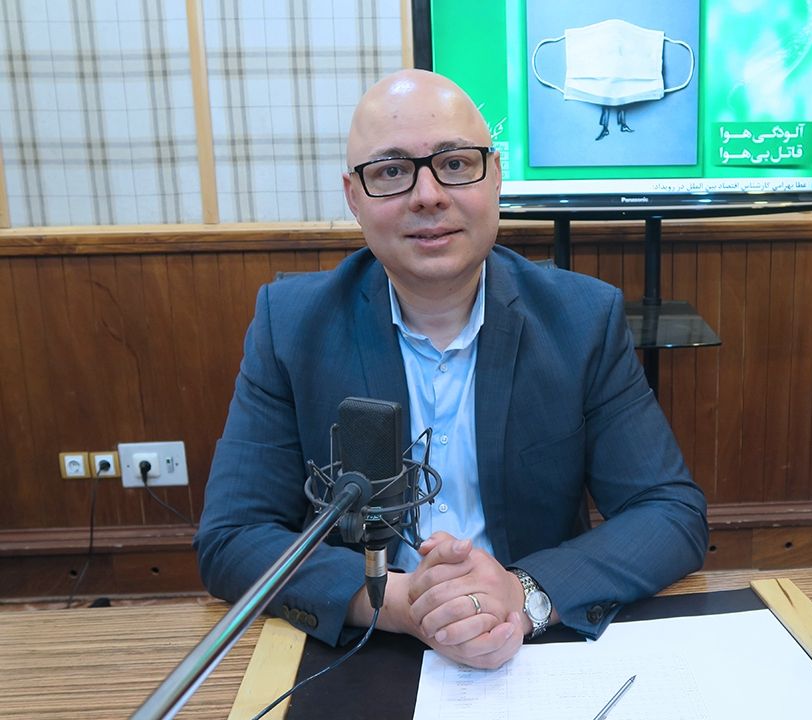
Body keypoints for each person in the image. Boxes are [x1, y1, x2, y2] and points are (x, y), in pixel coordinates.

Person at [194, 69, 708, 670]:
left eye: (456, 164)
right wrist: (400, 602)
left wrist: (522, 593)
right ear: (353, 197)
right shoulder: (291, 326)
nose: (428, 195)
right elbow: (232, 538)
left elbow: (669, 513)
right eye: (391, 172)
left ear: (495, 176)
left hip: (532, 649)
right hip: (364, 649)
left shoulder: (581, 320)